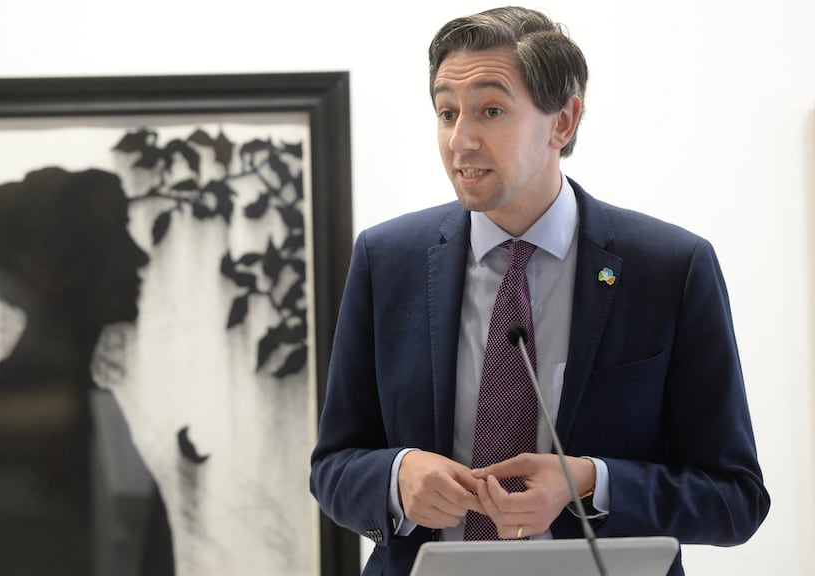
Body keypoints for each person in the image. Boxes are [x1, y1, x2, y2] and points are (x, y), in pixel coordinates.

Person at [309, 7, 770, 576]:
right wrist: (396, 478)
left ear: (563, 121)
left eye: (491, 111)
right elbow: (333, 467)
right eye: (446, 112)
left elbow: (735, 499)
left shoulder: (671, 268)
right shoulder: (386, 260)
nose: (461, 140)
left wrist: (589, 483)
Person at [0, 167, 176, 575]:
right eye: (113, 237)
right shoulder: (30, 417)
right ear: (56, 268)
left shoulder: (76, 397)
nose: (139, 256)